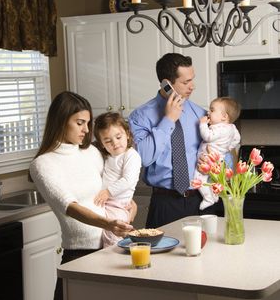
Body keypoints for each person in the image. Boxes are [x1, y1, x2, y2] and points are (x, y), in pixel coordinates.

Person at [29, 91, 134, 300]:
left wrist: (129, 210)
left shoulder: (92, 153)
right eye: (80, 123)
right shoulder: (42, 164)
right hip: (80, 254)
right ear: (61, 121)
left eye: (88, 123)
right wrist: (108, 223)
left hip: (111, 247)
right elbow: (70, 207)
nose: (87, 130)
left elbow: (109, 194)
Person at [128, 53, 209, 229]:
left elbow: (219, 152)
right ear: (167, 83)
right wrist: (168, 119)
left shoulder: (201, 114)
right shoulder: (140, 117)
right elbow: (144, 158)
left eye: (192, 80)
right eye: (185, 82)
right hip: (164, 203)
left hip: (201, 200)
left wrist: (212, 161)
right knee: (162, 256)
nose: (192, 86)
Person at [93, 112, 141, 247]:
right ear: (102, 144)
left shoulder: (131, 155)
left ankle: (111, 257)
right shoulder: (108, 157)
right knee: (105, 232)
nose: (115, 143)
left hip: (118, 205)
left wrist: (107, 192)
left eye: (118, 137)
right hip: (107, 203)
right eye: (108, 141)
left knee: (113, 236)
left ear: (127, 134)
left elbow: (128, 180)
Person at [193, 97, 241, 210]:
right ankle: (214, 196)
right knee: (212, 180)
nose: (208, 112)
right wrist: (227, 147)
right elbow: (237, 139)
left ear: (224, 116)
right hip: (219, 158)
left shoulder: (219, 129)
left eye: (212, 110)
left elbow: (208, 136)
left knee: (199, 179)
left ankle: (208, 198)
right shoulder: (232, 128)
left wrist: (203, 124)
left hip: (209, 159)